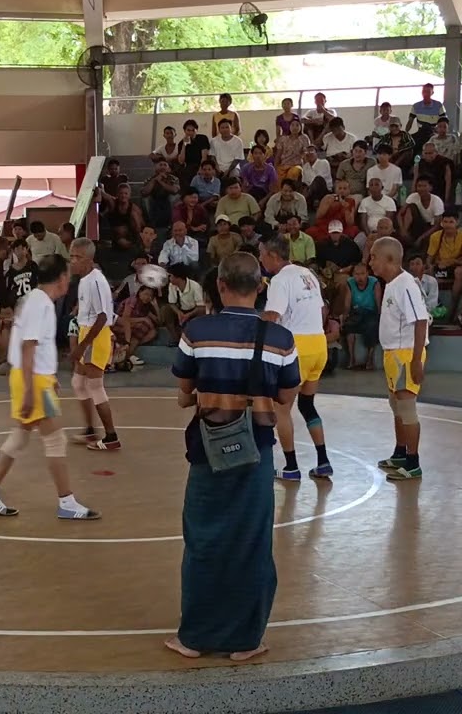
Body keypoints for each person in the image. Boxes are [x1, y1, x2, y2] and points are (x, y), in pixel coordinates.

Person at [166, 251, 299, 662]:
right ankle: (246, 639)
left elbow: (183, 392)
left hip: (208, 450)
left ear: (219, 285)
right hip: (255, 451)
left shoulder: (197, 331)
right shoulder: (280, 338)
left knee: (204, 541)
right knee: (252, 543)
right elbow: (286, 396)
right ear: (260, 287)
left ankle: (195, 637)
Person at [0, 253, 98, 520]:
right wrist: (33, 389)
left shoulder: (35, 300)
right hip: (32, 380)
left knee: (20, 437)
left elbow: (33, 346)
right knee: (55, 440)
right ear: (62, 278)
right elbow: (28, 346)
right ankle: (66, 502)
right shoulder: (40, 303)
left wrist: (47, 379)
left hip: (34, 378)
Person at [260, 237, 332, 481]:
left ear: (272, 255)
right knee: (307, 404)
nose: (260, 259)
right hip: (318, 343)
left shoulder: (280, 280)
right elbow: (322, 309)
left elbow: (271, 316)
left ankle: (290, 467)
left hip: (297, 347)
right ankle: (323, 462)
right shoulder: (307, 273)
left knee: (280, 409)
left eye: (262, 254)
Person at [369, 237, 429, 481]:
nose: (370, 261)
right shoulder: (392, 284)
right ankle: (400, 453)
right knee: (395, 404)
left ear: (390, 259)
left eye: (374, 257)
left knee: (406, 407)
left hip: (405, 353)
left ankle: (413, 463)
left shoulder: (405, 285)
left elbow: (421, 320)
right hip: (393, 353)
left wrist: (415, 360)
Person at [69, 238, 122, 450]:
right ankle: (90, 430)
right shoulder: (85, 280)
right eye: (71, 256)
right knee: (78, 383)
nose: (73, 261)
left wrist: (82, 346)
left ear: (89, 260)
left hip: (95, 335)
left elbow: (102, 316)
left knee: (95, 386)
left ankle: (111, 436)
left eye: (77, 257)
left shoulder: (95, 281)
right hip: (87, 332)